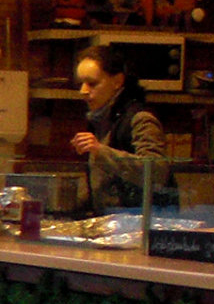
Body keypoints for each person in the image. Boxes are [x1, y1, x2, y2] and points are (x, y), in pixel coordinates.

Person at [70, 44, 167, 211]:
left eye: (92, 84)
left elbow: (157, 172)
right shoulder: (99, 120)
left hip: (139, 223)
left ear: (117, 81)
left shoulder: (140, 118)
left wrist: (101, 151)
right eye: (81, 83)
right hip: (114, 223)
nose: (83, 91)